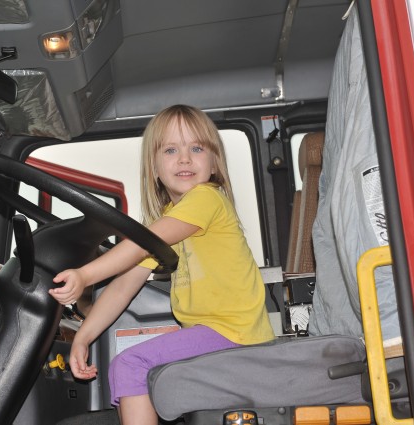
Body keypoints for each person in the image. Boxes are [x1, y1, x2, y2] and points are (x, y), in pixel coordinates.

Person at [49, 104, 274, 424]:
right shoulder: (170, 220)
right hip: (218, 334)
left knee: (131, 364)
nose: (184, 158)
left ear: (214, 164)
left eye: (196, 148)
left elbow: (139, 245)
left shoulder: (206, 199)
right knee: (141, 367)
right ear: (154, 167)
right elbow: (122, 287)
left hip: (233, 333)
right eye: (170, 150)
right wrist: (83, 337)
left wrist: (85, 274)